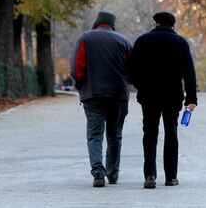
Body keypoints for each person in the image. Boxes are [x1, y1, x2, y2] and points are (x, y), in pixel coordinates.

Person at [128, 11, 197, 189]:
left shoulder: (143, 41)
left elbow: (131, 69)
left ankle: (150, 175)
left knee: (150, 133)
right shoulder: (180, 43)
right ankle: (171, 176)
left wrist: (140, 85)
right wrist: (191, 98)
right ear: (173, 25)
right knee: (171, 133)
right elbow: (189, 72)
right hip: (172, 95)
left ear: (155, 23)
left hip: (149, 95)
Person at [70, 11, 133, 187]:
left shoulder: (86, 38)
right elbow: (132, 70)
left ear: (97, 23)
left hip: (93, 95)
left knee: (95, 134)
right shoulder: (124, 41)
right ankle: (113, 174)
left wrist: (82, 84)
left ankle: (98, 173)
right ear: (113, 25)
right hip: (118, 95)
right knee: (115, 135)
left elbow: (77, 67)